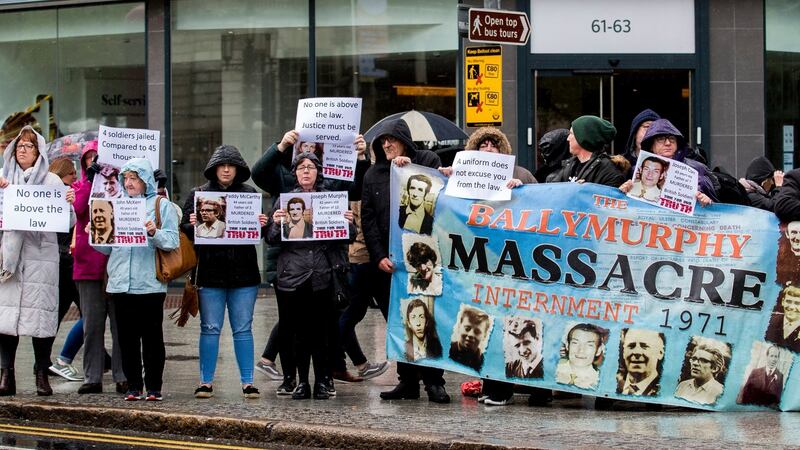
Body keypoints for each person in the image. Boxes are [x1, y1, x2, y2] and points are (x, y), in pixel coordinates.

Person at [361, 118, 450, 403]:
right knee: (401, 322)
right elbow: (369, 219)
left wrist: (410, 168)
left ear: (404, 141)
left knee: (426, 318)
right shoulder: (373, 174)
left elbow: (440, 196)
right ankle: (408, 382)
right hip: (391, 264)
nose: (386, 145)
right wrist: (378, 257)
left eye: (392, 140)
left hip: (423, 259)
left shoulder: (426, 159)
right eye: (382, 142)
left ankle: (434, 382)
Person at [266, 151, 355, 400]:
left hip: (323, 275)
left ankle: (323, 381)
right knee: (299, 333)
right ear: (295, 173)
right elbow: (272, 240)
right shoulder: (285, 201)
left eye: (311, 167)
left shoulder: (331, 199)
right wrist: (274, 223)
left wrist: (349, 223)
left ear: (318, 172)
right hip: (293, 276)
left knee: (323, 332)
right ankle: (302, 381)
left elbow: (349, 236)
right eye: (301, 167)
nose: (306, 171)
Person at [181, 144, 266, 399]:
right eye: (222, 165)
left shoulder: (249, 194)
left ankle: (248, 382)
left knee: (243, 328)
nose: (227, 169)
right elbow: (183, 227)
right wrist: (190, 224)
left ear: (238, 169)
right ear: (214, 168)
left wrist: (262, 223)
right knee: (210, 327)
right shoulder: (198, 194)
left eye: (231, 166)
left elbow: (258, 232)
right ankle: (205, 382)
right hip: (210, 272)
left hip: (245, 274)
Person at [93, 158, 178, 402]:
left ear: (145, 180)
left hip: (149, 282)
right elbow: (108, 249)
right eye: (126, 179)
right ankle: (133, 386)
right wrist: (96, 236)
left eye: (134, 178)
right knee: (126, 339)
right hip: (120, 282)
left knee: (152, 337)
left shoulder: (162, 206)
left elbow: (171, 242)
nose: (128, 183)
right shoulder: (114, 204)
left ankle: (154, 387)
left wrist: (153, 232)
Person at [0, 126, 76, 396]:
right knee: (6, 321)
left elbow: (66, 223)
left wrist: (69, 204)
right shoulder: (3, 179)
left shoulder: (53, 182)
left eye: (29, 146)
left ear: (39, 152)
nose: (23, 149)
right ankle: (6, 375)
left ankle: (41, 374)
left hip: (41, 258)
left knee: (41, 321)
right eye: (19, 145)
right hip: (10, 260)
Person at [71, 140, 126, 395]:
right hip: (88, 264)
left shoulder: (121, 187)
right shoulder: (79, 186)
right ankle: (92, 376)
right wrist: (88, 183)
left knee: (120, 324)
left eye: (98, 157)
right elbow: (78, 209)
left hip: (117, 264)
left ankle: (122, 374)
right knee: (91, 325)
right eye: (88, 158)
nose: (93, 161)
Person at [46, 158, 85, 383]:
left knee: (71, 314)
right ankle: (57, 360)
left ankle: (105, 359)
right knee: (88, 315)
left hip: (64, 262)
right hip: (65, 262)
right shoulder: (60, 195)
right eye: (71, 175)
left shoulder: (67, 193)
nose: (75, 179)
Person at [623, 118, 717, 206]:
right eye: (660, 139)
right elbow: (628, 207)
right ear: (651, 145)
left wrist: (708, 201)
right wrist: (624, 191)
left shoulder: (698, 169)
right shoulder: (636, 170)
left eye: (672, 139)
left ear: (678, 143)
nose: (668, 143)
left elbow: (719, 210)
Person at [548, 115, 627, 187]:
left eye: (571, 134)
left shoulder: (609, 172)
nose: (568, 139)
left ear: (583, 139)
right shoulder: (570, 165)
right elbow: (553, 191)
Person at [674, 341, 729, 405]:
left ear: (714, 368)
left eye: (703, 361)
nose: (695, 363)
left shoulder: (721, 393)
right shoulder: (682, 386)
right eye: (694, 359)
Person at [555, 323, 607, 390]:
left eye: (589, 345)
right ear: (567, 346)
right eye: (575, 343)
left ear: (598, 350)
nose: (581, 350)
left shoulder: (599, 380)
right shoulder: (553, 372)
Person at [616, 328, 665, 397]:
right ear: (623, 352)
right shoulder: (613, 384)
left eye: (644, 346)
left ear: (660, 353)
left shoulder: (664, 391)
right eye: (631, 346)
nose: (637, 352)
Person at [449, 307, 490, 372]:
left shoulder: (484, 363)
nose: (471, 334)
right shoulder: (447, 352)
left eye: (477, 332)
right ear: (459, 327)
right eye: (467, 328)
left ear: (484, 335)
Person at [622, 109, 661, 176]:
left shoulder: (668, 163)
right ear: (635, 132)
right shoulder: (620, 163)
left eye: (656, 128)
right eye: (647, 126)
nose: (651, 131)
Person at [765, 284, 800, 352]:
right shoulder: (769, 322)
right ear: (783, 301)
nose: (792, 307)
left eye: (797, 303)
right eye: (788, 301)